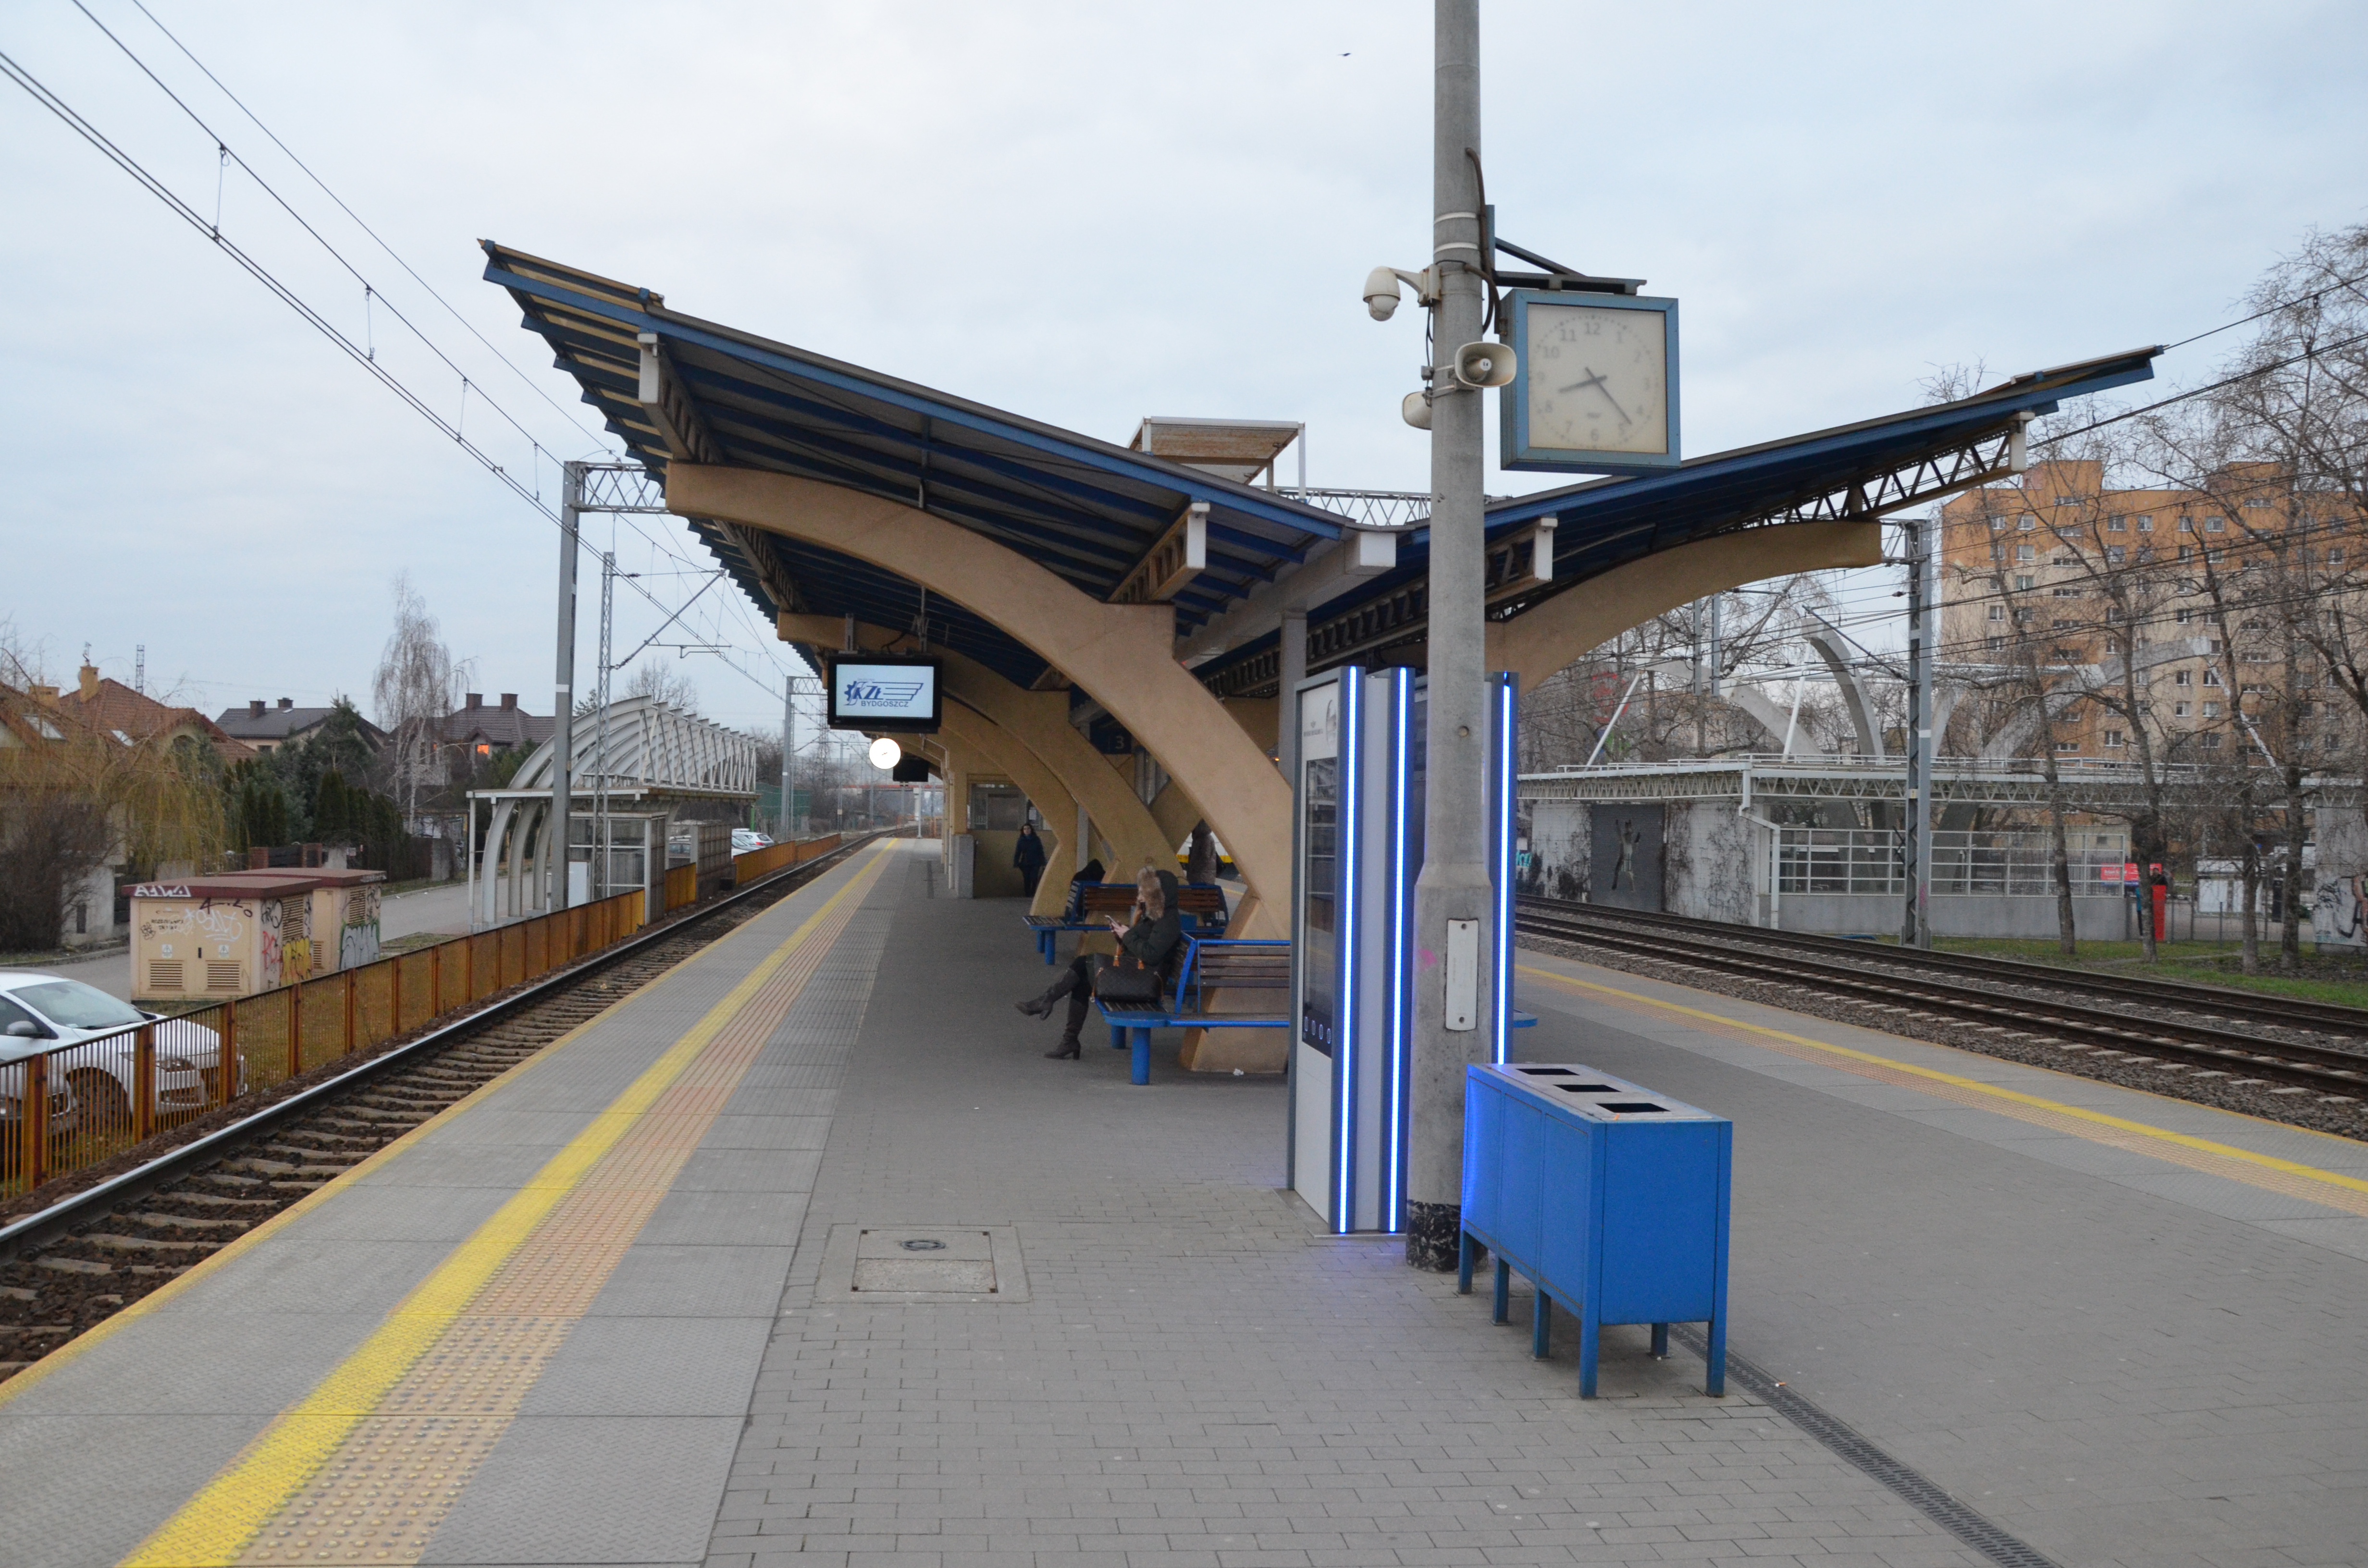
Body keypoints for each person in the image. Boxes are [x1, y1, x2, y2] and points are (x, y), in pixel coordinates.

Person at [1017, 864, 1181, 1059]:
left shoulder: (1168, 921)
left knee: (1083, 964)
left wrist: (1128, 935)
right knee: (1082, 980)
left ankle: (1049, 1004)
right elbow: (1140, 947)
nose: (1140, 892)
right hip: (1138, 974)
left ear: (1158, 895)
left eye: (1145, 889)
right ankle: (1068, 1038)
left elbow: (1151, 955)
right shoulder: (1153, 916)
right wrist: (1122, 935)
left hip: (1146, 982)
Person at [1013, 822, 1047, 896]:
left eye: (1028, 829)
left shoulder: (1036, 840)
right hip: (1026, 863)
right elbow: (1018, 852)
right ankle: (1027, 894)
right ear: (1023, 831)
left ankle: (1033, 892)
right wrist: (1016, 862)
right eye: (1025, 829)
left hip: (1036, 862)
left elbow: (1041, 851)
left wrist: (1043, 862)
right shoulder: (1021, 840)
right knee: (1027, 879)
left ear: (1031, 830)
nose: (1027, 830)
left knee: (1034, 878)